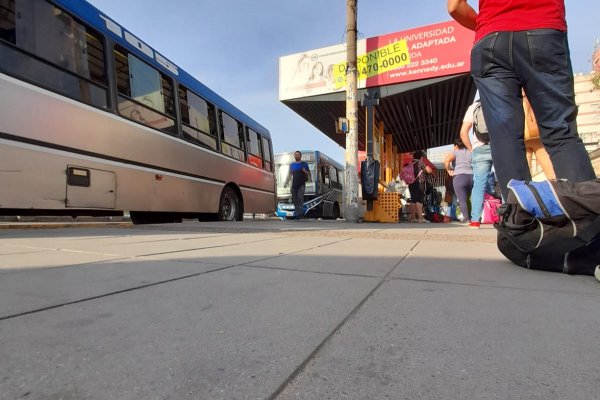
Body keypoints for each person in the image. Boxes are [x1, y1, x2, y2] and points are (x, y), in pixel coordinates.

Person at [447, 0, 596, 201]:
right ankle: (587, 222)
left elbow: (455, 6)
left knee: (505, 140)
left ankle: (522, 226)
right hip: (543, 29)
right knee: (561, 133)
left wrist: (490, 25)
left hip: (491, 39)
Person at [459, 100, 493, 228]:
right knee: (505, 182)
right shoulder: (499, 98)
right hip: (501, 146)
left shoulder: (474, 106)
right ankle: (508, 218)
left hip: (479, 148)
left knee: (479, 185)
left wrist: (471, 149)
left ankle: (475, 221)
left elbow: (463, 133)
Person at [523, 90, 556, 180]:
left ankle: (527, 192)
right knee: (551, 172)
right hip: (538, 136)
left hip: (521, 138)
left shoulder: (511, 93)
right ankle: (558, 190)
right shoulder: (534, 92)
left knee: (525, 176)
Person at [444, 137, 473, 223]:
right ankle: (473, 217)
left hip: (459, 177)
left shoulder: (455, 152)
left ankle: (466, 218)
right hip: (471, 176)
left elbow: (446, 161)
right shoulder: (470, 152)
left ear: (456, 145)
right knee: (469, 198)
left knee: (462, 199)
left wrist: (449, 170)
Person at [283, 151, 311, 219]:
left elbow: (309, 173)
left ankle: (301, 213)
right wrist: (286, 182)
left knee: (300, 198)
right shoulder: (292, 165)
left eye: (298, 155)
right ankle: (297, 212)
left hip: (301, 184)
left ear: (300, 156)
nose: (297, 156)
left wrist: (305, 171)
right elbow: (289, 174)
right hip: (294, 185)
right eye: (296, 155)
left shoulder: (304, 164)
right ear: (294, 156)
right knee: (295, 199)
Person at [407, 150, 433, 223]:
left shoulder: (410, 163)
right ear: (421, 157)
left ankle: (413, 218)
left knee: (413, 200)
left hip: (411, 183)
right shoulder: (420, 163)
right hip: (419, 183)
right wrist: (427, 167)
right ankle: (420, 218)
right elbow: (429, 170)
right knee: (418, 200)